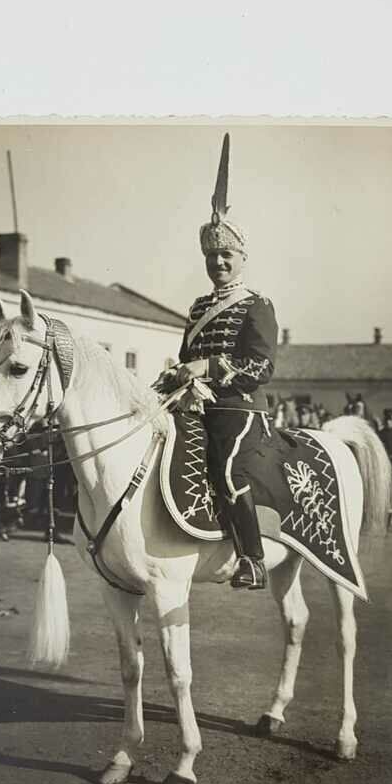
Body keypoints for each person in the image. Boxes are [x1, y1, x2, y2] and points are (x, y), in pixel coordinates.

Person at [164, 133, 278, 589]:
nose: (218, 263)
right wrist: (177, 373)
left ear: (242, 258)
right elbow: (186, 357)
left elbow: (262, 368)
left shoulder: (257, 305)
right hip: (195, 406)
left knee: (227, 469)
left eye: (226, 255)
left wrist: (207, 369)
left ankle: (252, 559)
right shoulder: (196, 307)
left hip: (239, 411)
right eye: (212, 256)